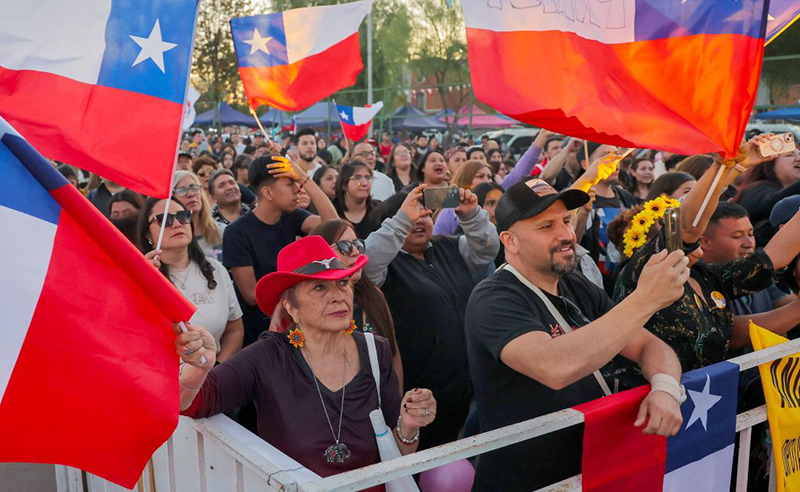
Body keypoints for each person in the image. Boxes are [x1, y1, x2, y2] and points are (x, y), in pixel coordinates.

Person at [465, 177, 686, 491]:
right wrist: (645, 298)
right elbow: (555, 367)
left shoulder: (573, 282)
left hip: (593, 469)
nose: (566, 234)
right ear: (510, 241)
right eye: (546, 227)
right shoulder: (494, 299)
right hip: (529, 480)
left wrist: (665, 388)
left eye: (566, 221)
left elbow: (649, 345)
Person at [178, 236, 437, 484]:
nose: (338, 296)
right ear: (291, 307)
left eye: (343, 283)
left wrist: (409, 425)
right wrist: (198, 367)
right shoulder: (267, 357)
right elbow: (190, 404)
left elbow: (397, 457)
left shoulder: (375, 350)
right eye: (319, 287)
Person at [605, 138, 800, 390]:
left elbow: (770, 259)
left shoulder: (706, 276)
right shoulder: (643, 271)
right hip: (651, 410)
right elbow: (688, 224)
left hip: (708, 411)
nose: (694, 237)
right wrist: (727, 167)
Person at [363, 184, 500, 450]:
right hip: (420, 392)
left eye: (425, 214)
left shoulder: (448, 247)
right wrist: (403, 218)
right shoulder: (386, 267)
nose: (420, 220)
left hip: (464, 383)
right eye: (412, 215)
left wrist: (471, 215)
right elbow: (367, 262)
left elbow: (486, 250)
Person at [223, 154, 338, 345]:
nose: (297, 189)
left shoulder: (291, 216)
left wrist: (305, 178)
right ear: (268, 193)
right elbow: (252, 295)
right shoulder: (236, 233)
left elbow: (333, 225)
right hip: (261, 334)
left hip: (297, 324)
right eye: (289, 184)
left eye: (297, 182)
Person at [138, 197, 244, 362]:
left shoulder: (216, 270)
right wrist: (142, 284)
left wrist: (216, 369)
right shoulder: (140, 278)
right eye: (164, 219)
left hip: (214, 378)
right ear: (148, 235)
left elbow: (235, 330)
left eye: (183, 216)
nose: (177, 224)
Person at [311, 220, 404, 390]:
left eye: (358, 244)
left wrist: (396, 409)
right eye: (344, 246)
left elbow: (393, 354)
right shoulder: (310, 306)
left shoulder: (374, 296)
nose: (355, 252)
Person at [434, 131, 549, 235]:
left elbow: (519, 172)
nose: (487, 180)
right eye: (480, 176)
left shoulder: (495, 193)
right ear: (466, 179)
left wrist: (542, 137)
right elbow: (438, 244)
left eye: (489, 176)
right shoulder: (451, 209)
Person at [575, 143, 638, 293]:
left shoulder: (627, 199)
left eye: (616, 154)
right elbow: (572, 244)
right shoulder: (575, 197)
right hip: (591, 287)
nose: (614, 160)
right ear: (586, 164)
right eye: (605, 155)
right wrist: (583, 212)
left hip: (625, 284)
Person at [733, 147, 800, 226]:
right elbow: (768, 205)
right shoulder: (755, 189)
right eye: (789, 155)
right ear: (770, 164)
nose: (798, 158)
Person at [173, 171, 224, 259]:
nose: (191, 194)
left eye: (194, 188)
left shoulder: (223, 231)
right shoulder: (170, 240)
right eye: (181, 190)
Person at [333, 161, 380, 240]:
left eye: (368, 178)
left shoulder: (379, 209)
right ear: (344, 184)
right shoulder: (332, 209)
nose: (364, 183)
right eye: (357, 178)